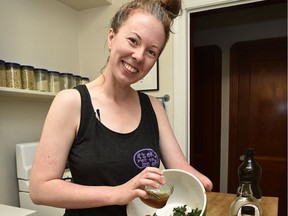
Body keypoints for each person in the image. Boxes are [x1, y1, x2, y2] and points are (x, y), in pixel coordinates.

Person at [30, 0, 213, 215]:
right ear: (111, 37)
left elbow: (179, 166)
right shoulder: (71, 102)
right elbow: (40, 189)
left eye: (151, 52)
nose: (138, 56)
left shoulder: (153, 107)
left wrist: (198, 179)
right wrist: (117, 193)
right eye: (133, 41)